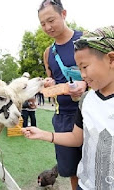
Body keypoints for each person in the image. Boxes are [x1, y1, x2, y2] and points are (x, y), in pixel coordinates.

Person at [22, 25, 114, 190]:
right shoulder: (86, 100)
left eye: (84, 67)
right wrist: (43, 134)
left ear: (111, 59)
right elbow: (76, 138)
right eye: (79, 69)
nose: (82, 75)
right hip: (86, 186)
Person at [37, 1, 87, 189]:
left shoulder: (85, 40)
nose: (47, 27)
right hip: (63, 118)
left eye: (51, 20)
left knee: (96, 166)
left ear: (63, 14)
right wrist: (48, 84)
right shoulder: (48, 52)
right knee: (72, 170)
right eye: (43, 24)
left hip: (89, 112)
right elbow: (52, 81)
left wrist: (85, 83)